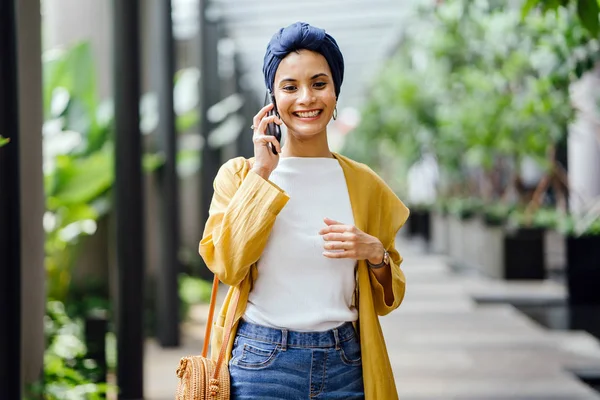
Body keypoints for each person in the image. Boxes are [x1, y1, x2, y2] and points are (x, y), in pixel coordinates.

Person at [199, 21, 410, 400]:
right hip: (261, 364)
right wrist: (262, 173)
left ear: (335, 92)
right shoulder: (240, 175)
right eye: (290, 87)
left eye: (318, 83)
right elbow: (227, 266)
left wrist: (375, 253)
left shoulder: (364, 184)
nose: (306, 99)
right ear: (272, 98)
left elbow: (387, 297)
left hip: (347, 363)